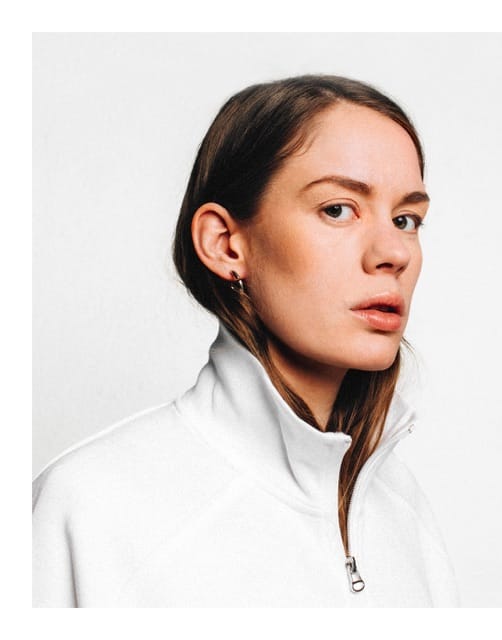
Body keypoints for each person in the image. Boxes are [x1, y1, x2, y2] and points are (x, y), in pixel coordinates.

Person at [32, 74, 460, 607]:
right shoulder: (90, 506)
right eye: (337, 209)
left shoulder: (402, 509)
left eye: (406, 219)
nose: (393, 252)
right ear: (225, 244)